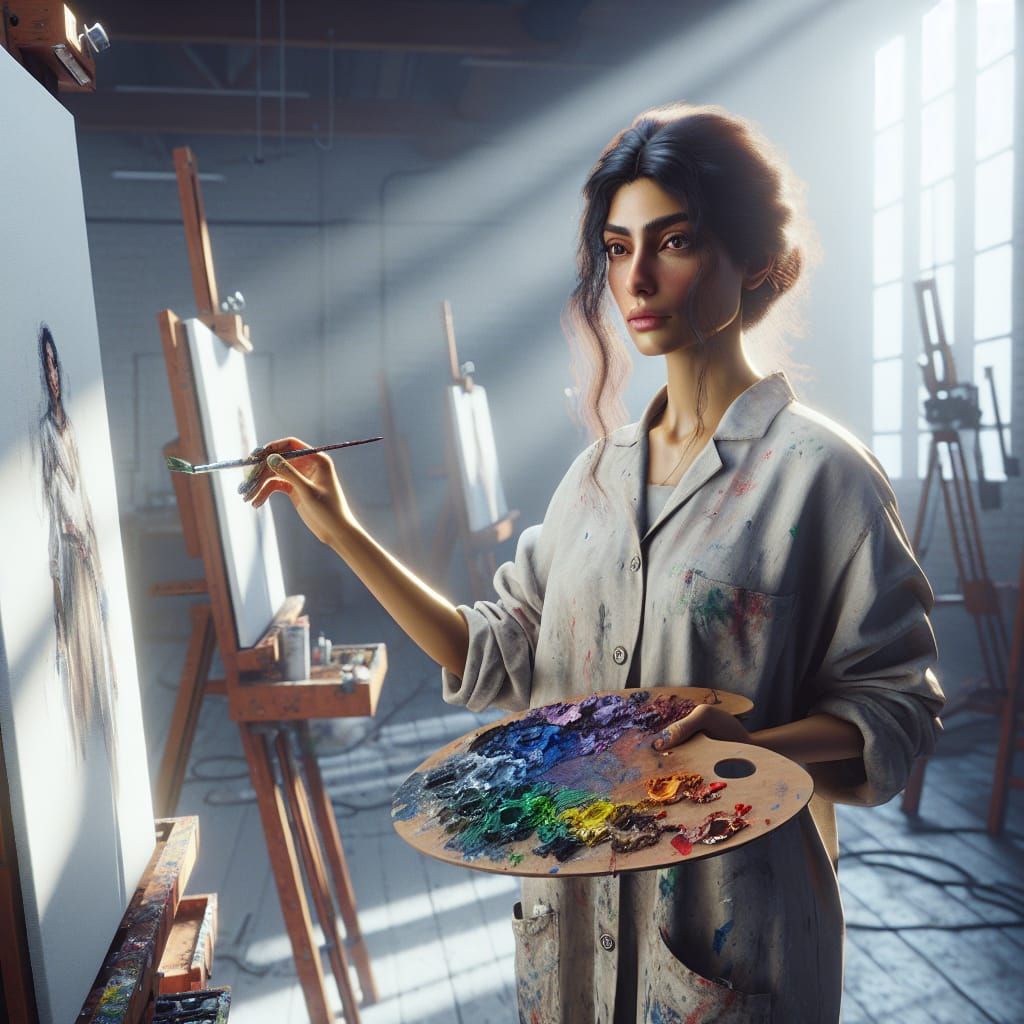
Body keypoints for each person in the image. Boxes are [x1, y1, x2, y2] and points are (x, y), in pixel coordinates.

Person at [244, 103, 945, 1024]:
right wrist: (342, 532)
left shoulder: (823, 476)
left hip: (734, 931)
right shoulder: (593, 479)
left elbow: (898, 709)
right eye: (617, 248)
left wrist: (745, 750)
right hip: (573, 929)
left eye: (675, 241)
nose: (637, 278)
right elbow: (495, 653)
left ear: (749, 259)